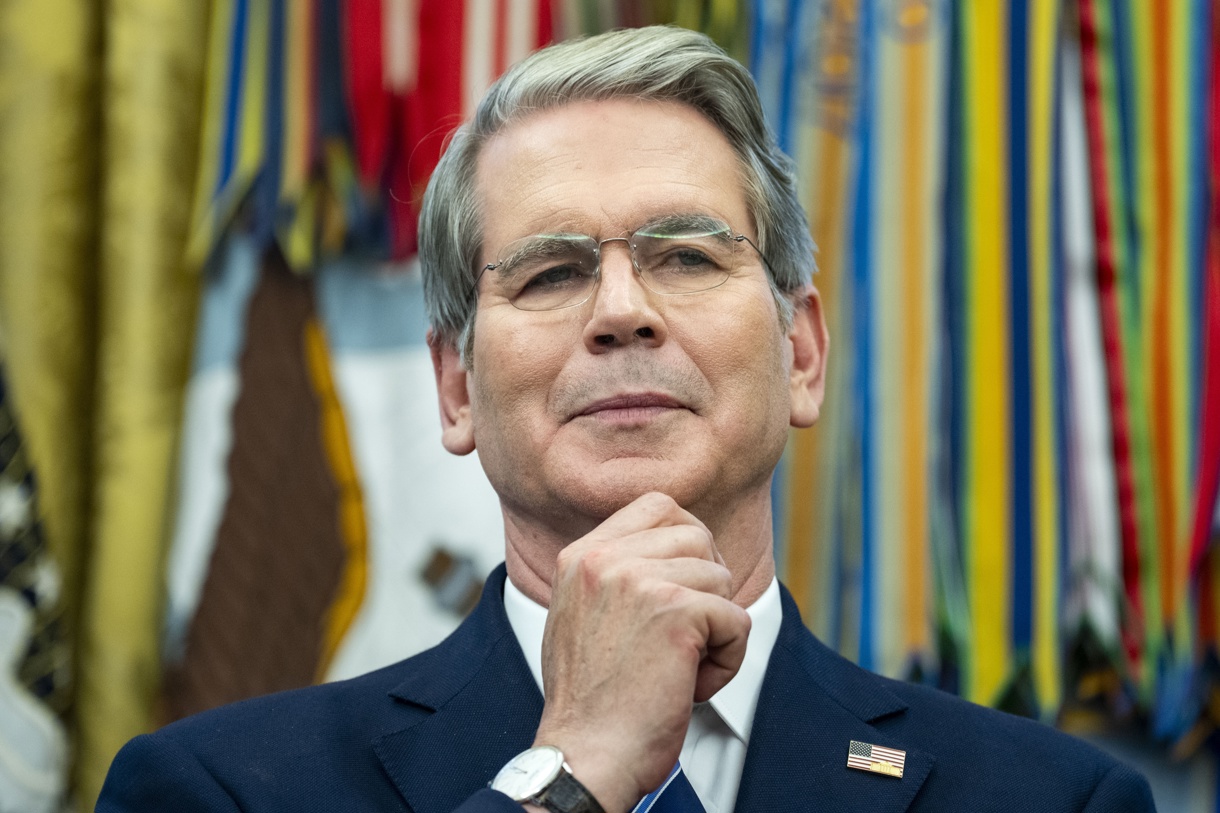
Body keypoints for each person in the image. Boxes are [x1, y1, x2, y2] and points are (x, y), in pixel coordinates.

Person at [98, 26, 1155, 813]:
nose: (620, 312)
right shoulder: (214, 789)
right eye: (550, 272)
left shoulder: (1052, 799)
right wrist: (571, 772)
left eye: (686, 256)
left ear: (800, 354)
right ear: (455, 388)